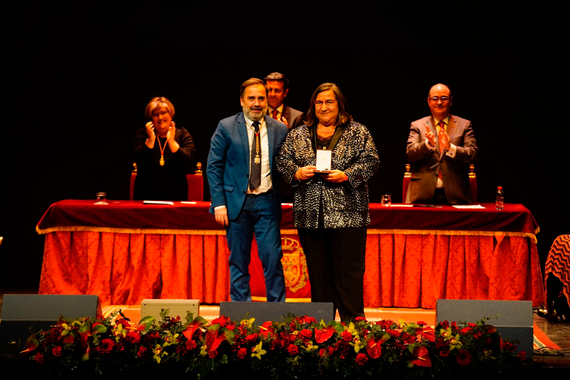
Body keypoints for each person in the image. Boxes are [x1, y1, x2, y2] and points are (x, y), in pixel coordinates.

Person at [276, 83, 379, 321]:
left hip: (349, 215)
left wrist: (348, 175)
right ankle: (323, 329)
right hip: (310, 216)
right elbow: (282, 161)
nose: (324, 107)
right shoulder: (298, 133)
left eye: (329, 102)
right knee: (319, 274)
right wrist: (296, 172)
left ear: (339, 104)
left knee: (348, 274)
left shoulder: (358, 131)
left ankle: (354, 325)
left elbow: (371, 162)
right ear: (313, 105)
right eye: (319, 102)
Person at [207, 78, 289, 302]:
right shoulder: (226, 126)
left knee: (273, 259)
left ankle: (278, 316)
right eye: (251, 98)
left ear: (267, 101)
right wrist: (219, 203)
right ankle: (241, 319)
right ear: (241, 101)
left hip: (266, 202)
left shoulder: (280, 129)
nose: (256, 103)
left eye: (261, 98)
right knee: (239, 261)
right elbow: (213, 167)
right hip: (236, 204)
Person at [405, 83, 478, 205]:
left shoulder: (465, 125)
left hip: (458, 196)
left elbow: (473, 154)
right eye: (435, 98)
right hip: (422, 195)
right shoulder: (417, 125)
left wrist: (451, 148)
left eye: (444, 98)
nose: (439, 102)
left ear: (450, 101)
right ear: (428, 101)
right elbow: (410, 154)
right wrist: (427, 144)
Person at [133, 97, 195, 201]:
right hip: (145, 198)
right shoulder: (143, 134)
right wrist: (150, 140)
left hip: (176, 198)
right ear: (151, 119)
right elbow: (139, 160)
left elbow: (188, 162)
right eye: (155, 114)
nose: (160, 117)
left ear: (171, 114)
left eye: (163, 112)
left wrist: (171, 142)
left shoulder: (182, 135)